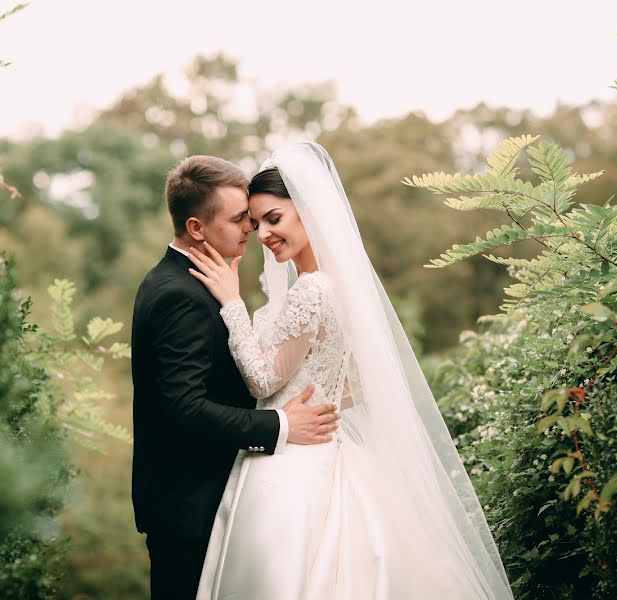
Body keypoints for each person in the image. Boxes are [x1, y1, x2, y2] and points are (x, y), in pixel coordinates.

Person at [186, 142, 514, 599]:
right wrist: (319, 400)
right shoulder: (334, 286)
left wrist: (233, 304)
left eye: (274, 219)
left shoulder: (312, 290)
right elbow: (357, 384)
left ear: (309, 212)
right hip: (324, 447)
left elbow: (262, 381)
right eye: (256, 223)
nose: (262, 234)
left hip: (294, 465)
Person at [130, 155, 340, 600]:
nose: (254, 231)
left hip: (236, 493)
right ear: (197, 229)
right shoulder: (180, 295)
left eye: (261, 218)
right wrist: (281, 424)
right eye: (242, 219)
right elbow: (184, 409)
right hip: (190, 506)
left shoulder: (194, 282)